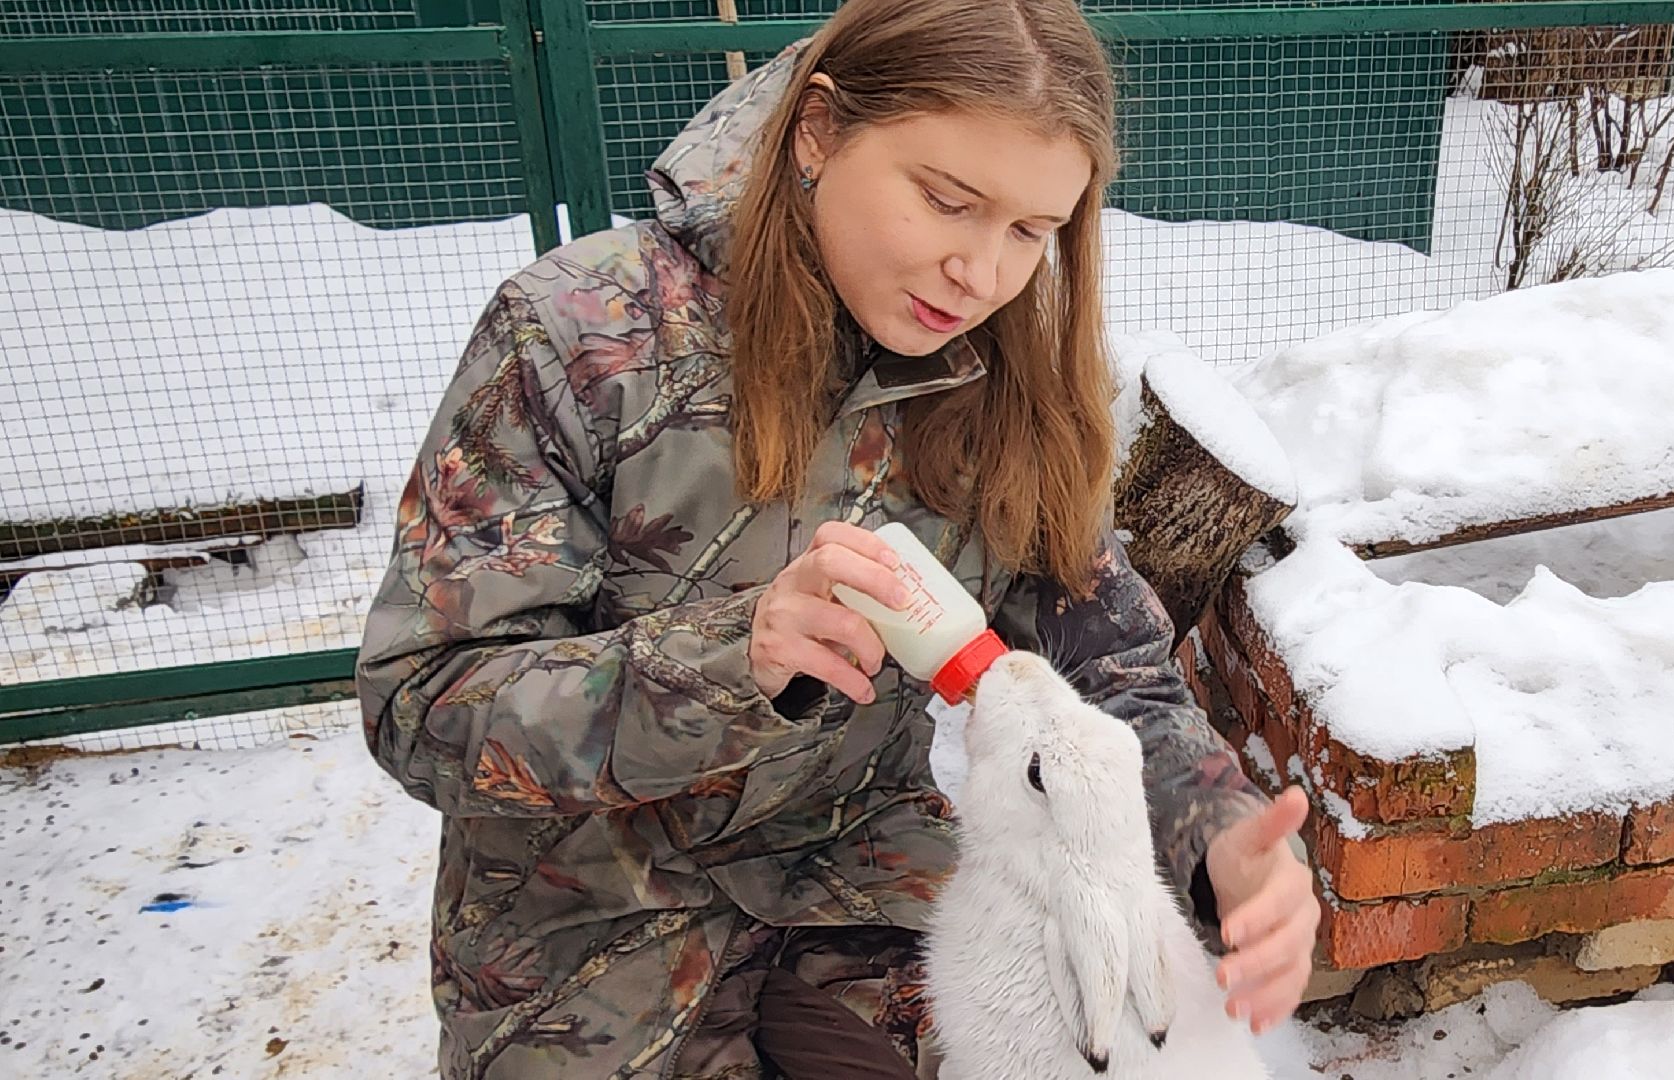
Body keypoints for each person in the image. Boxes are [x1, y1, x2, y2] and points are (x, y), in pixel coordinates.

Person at [354, 0, 1319, 1076]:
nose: (982, 273)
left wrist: (1219, 832)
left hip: (859, 875)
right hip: (582, 924)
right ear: (818, 131)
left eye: (1030, 232)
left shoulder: (1007, 373)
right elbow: (420, 703)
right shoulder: (581, 335)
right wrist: (733, 664)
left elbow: (1111, 666)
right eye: (947, 202)